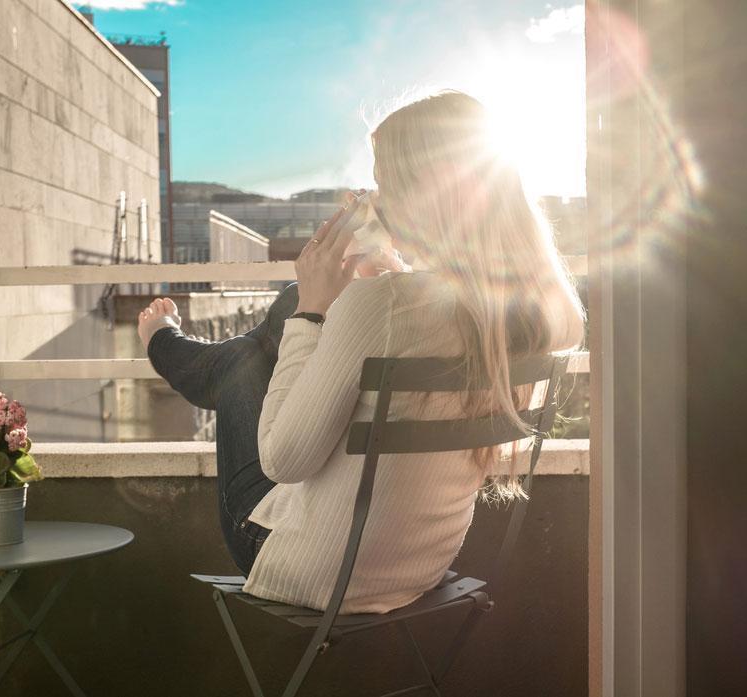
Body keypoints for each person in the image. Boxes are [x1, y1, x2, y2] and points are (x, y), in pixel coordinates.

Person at [137, 91, 585, 614]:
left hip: (312, 570)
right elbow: (431, 317)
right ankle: (195, 358)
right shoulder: (551, 311)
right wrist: (383, 282)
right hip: (418, 567)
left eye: (385, 181)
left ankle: (183, 355)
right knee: (276, 333)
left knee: (251, 356)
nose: (378, 197)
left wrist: (313, 308)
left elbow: (283, 462)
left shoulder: (384, 305)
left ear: (423, 192)